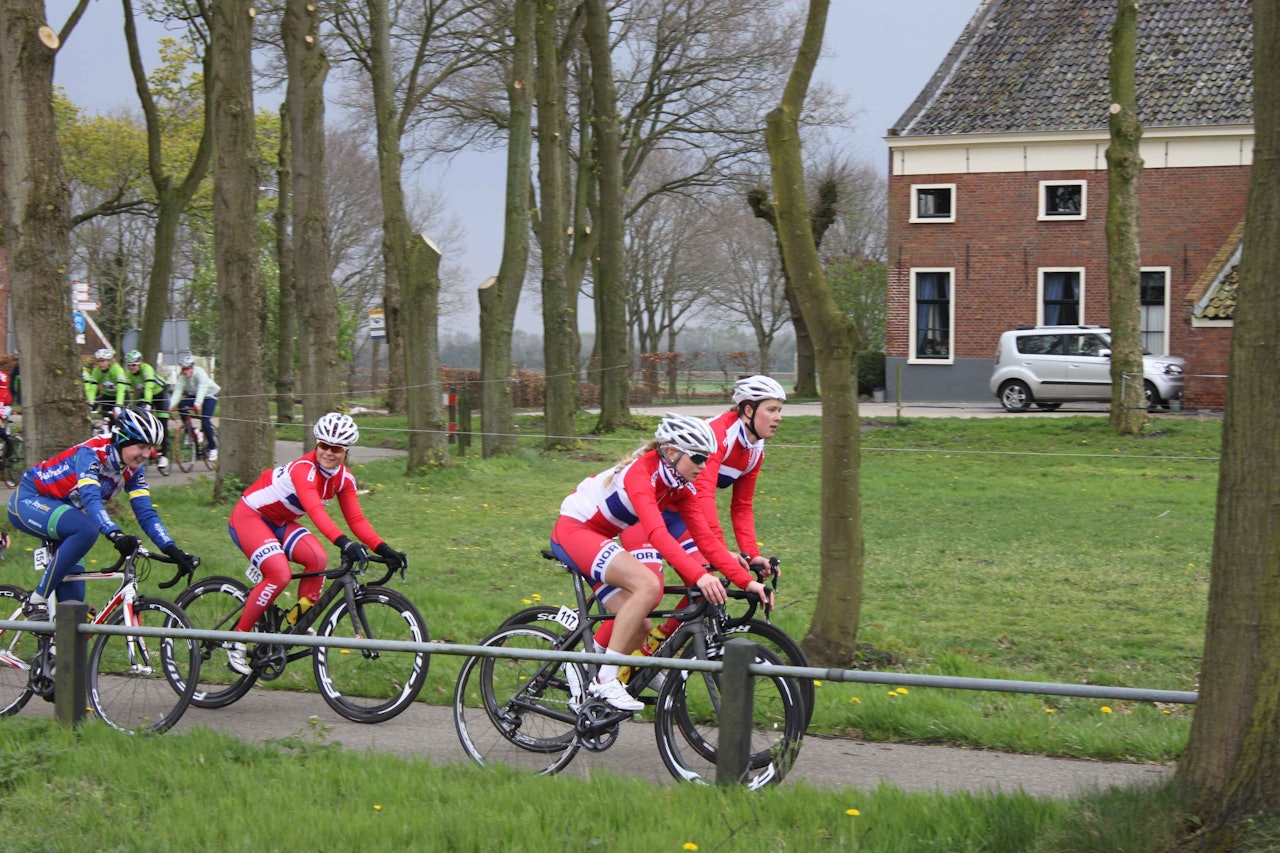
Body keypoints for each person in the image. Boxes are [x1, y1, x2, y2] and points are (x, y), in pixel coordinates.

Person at [550, 412, 772, 711]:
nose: (704, 466)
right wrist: (699, 576)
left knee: (640, 625)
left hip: (599, 536)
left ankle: (580, 667)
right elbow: (656, 533)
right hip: (575, 530)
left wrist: (747, 583)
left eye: (707, 459)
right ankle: (604, 679)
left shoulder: (679, 486)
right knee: (648, 585)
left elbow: (706, 541)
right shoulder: (642, 474)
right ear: (671, 452)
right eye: (698, 458)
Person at [224, 412, 407, 674]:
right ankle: (237, 640)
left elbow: (356, 519)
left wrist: (385, 549)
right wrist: (344, 543)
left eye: (336, 448)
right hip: (250, 517)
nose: (329, 453)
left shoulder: (344, 479)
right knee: (279, 573)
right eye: (324, 445)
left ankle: (296, 622)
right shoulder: (304, 469)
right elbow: (315, 511)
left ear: (346, 451)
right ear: (317, 444)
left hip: (280, 522)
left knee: (317, 558)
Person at [619, 376, 786, 650]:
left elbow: (742, 505)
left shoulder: (755, 449)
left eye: (779, 410)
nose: (778, 417)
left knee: (707, 585)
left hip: (681, 517)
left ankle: (654, 647)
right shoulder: (719, 436)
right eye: (771, 409)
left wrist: (752, 552)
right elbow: (703, 496)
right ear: (748, 410)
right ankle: (599, 661)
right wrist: (721, 549)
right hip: (645, 516)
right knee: (649, 593)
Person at [5, 407, 200, 621]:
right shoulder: (91, 453)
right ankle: (36, 600)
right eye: (142, 446)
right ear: (123, 440)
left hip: (66, 516)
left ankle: (53, 643)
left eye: (150, 448)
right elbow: (90, 499)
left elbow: (146, 514)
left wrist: (172, 549)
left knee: (74, 607)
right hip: (30, 500)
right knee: (86, 529)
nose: (147, 454)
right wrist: (114, 534)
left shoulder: (133, 470)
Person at [122, 349, 171, 471]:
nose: (131, 367)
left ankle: (164, 455)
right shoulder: (129, 374)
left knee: (162, 424)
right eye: (129, 365)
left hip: (160, 395)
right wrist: (123, 405)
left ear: (140, 363)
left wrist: (148, 403)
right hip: (146, 396)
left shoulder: (147, 369)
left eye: (134, 365)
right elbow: (125, 390)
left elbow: (149, 387)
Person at [169, 355, 220, 462]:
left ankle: (213, 448)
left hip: (209, 395)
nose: (185, 371)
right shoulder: (182, 377)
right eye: (184, 369)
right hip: (194, 395)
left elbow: (202, 388)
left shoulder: (200, 372)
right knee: (181, 405)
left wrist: (198, 403)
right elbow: (178, 391)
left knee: (205, 421)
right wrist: (170, 406)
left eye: (187, 369)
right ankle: (191, 431)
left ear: (192, 367)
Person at [85, 348, 129, 419]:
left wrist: (119, 405)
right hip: (107, 395)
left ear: (109, 361)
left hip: (121, 396)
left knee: (119, 419)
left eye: (103, 361)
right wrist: (90, 404)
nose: (100, 364)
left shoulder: (117, 370)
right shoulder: (96, 371)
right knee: (106, 419)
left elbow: (121, 389)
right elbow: (92, 389)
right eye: (98, 361)